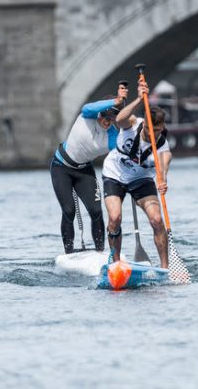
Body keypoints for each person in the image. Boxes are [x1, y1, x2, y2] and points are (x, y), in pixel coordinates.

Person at [50, 80, 147, 254]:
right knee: (69, 210)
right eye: (104, 116)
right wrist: (116, 101)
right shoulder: (88, 115)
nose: (106, 121)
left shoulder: (112, 135)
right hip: (61, 167)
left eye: (111, 119)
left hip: (84, 171)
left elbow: (122, 152)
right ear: (99, 113)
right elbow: (88, 106)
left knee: (96, 211)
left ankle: (100, 252)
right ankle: (69, 253)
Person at [102, 95, 171, 269]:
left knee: (156, 219)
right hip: (114, 174)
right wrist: (139, 99)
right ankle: (116, 264)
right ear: (144, 123)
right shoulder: (132, 124)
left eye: (156, 131)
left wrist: (162, 181)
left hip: (141, 179)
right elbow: (119, 118)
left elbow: (162, 171)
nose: (151, 134)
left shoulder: (163, 148)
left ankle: (165, 268)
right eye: (148, 129)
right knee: (115, 217)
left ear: (162, 128)